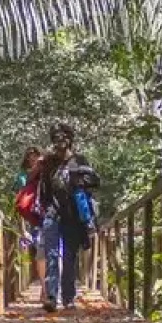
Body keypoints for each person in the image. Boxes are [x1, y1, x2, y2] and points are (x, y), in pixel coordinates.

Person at [36, 122, 100, 312]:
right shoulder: (49, 163)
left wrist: (79, 178)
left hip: (73, 215)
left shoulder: (79, 160)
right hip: (52, 213)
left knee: (69, 257)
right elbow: (43, 188)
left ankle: (68, 298)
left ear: (70, 139)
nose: (60, 141)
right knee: (51, 254)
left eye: (63, 137)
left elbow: (95, 181)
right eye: (56, 137)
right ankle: (51, 297)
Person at [13, 147, 45, 287]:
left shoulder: (47, 172)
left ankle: (47, 285)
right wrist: (22, 230)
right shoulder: (22, 176)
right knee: (38, 249)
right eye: (30, 157)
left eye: (35, 156)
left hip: (47, 215)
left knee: (49, 250)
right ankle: (42, 285)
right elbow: (19, 203)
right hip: (32, 220)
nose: (32, 159)